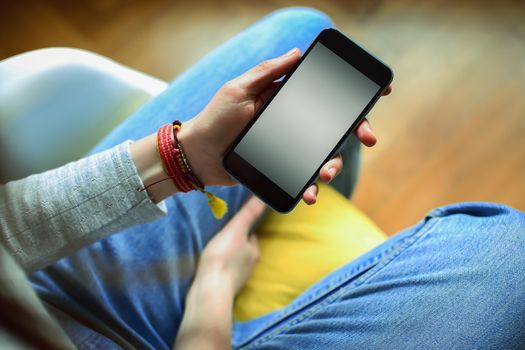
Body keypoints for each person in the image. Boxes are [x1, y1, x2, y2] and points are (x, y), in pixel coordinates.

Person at [0, 7, 523, 350]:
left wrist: (182, 158)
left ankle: (283, 198)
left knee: (301, 34)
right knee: (510, 253)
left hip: (32, 286)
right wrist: (213, 295)